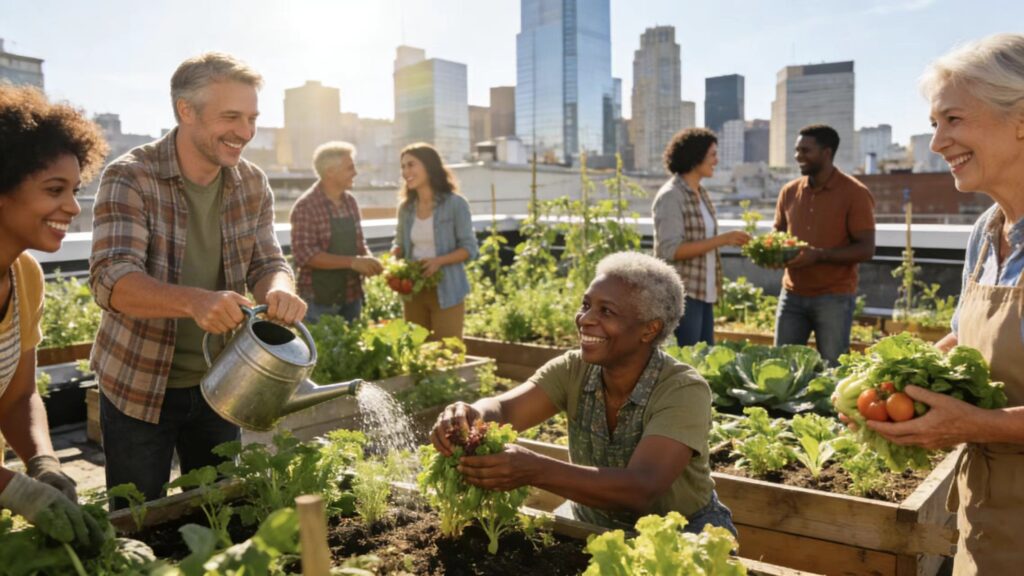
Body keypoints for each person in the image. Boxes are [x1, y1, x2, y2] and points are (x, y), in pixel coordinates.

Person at [89, 53, 306, 509]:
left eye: (251, 118)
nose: (245, 132)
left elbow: (268, 262)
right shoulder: (131, 176)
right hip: (138, 383)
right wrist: (194, 302)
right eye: (231, 117)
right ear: (186, 111)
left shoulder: (252, 183)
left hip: (222, 382)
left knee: (217, 516)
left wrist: (280, 291)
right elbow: (111, 279)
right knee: (138, 524)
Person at [430, 252, 736, 534]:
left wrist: (536, 469)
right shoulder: (573, 369)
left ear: (649, 329)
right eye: (586, 305)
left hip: (682, 533)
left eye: (607, 311)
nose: (586, 319)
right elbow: (505, 409)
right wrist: (471, 414)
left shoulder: (682, 389)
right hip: (589, 521)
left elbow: (642, 488)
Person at [868, 34, 1024, 574]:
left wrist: (974, 424)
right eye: (935, 123)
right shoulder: (987, 232)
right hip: (988, 510)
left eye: (953, 120)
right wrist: (892, 385)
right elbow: (964, 336)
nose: (936, 142)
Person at [0, 86, 107, 545]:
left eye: (75, 190)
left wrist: (42, 463)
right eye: (54, 190)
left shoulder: (25, 276)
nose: (73, 206)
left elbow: (19, 396)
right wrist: (20, 492)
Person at [772, 124, 875, 365]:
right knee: (781, 366)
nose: (798, 156)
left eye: (806, 150)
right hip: (791, 295)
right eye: (797, 150)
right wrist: (773, 255)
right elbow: (777, 235)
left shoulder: (855, 193)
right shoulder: (789, 191)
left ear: (827, 152)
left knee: (832, 368)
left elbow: (866, 249)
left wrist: (818, 256)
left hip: (834, 298)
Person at [653, 128, 751, 346]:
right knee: (688, 363)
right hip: (684, 294)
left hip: (704, 292)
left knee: (703, 361)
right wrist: (723, 239)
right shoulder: (671, 196)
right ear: (695, 157)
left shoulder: (700, 192)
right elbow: (671, 250)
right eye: (713, 155)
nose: (716, 161)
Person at [390, 143, 478, 340]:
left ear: (429, 166)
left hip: (448, 289)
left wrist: (438, 261)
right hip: (413, 289)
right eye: (403, 167)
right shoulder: (406, 208)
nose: (405, 172)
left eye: (411, 165)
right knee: (416, 349)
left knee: (448, 350)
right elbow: (399, 244)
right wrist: (394, 257)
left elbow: (469, 249)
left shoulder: (456, 204)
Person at [290, 142, 383, 323]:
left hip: (352, 297)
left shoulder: (350, 202)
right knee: (320, 351)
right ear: (330, 172)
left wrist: (369, 260)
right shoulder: (306, 206)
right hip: (319, 301)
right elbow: (305, 256)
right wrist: (353, 262)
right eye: (350, 168)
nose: (355, 173)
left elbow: (359, 243)